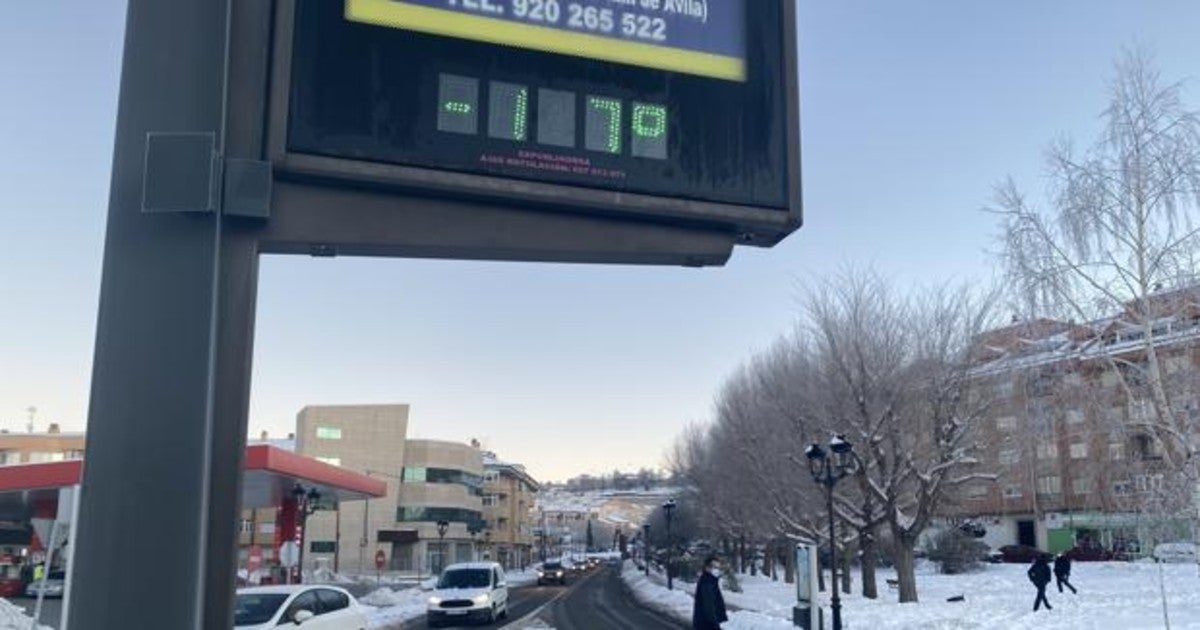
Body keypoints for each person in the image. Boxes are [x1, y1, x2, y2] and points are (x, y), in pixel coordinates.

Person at [692, 556, 728, 630]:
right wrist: (714, 623)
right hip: (706, 624)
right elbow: (708, 605)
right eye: (714, 567)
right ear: (707, 568)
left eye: (718, 567)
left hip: (705, 622)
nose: (717, 569)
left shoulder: (711, 580)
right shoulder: (707, 582)